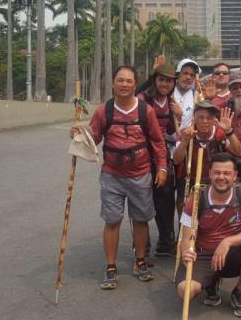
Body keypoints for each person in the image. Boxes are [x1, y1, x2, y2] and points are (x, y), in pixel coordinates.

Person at [70, 65, 168, 290]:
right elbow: (93, 139)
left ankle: (141, 261)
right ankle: (111, 266)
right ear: (113, 84)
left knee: (141, 219)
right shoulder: (104, 111)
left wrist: (162, 168)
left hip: (141, 174)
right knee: (112, 220)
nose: (124, 84)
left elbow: (157, 142)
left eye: (129, 81)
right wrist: (78, 136)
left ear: (135, 85)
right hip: (112, 176)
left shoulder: (146, 111)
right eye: (120, 80)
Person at [176, 152, 241, 318]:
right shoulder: (197, 197)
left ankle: (239, 291)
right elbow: (187, 234)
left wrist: (227, 242)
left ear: (235, 176)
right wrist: (186, 251)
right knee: (185, 291)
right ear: (209, 174)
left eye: (227, 173)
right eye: (217, 172)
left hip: (234, 253)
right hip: (204, 254)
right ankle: (210, 282)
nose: (221, 177)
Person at [138, 63, 183, 257]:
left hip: (163, 155)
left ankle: (165, 242)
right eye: (161, 79)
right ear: (155, 80)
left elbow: (173, 132)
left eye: (169, 81)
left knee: (165, 199)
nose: (165, 84)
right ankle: (141, 247)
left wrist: (178, 116)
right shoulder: (143, 99)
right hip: (142, 154)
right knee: (141, 201)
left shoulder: (171, 102)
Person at [173, 100, 241, 201]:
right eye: (201, 117)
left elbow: (239, 152)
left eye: (209, 118)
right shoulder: (186, 133)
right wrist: (185, 141)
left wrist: (228, 131)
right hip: (191, 184)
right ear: (194, 119)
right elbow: (176, 160)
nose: (205, 121)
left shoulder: (221, 134)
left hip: (218, 183)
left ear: (214, 119)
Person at [174, 58, 202, 130]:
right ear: (178, 74)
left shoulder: (196, 95)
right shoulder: (169, 92)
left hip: (188, 139)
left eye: (191, 75)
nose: (188, 77)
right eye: (185, 73)